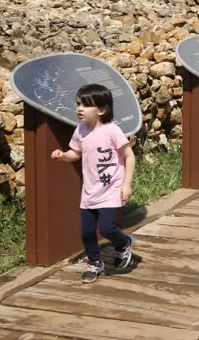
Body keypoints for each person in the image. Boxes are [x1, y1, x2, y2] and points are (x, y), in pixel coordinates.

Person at [51, 84, 136, 284]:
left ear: (101, 110)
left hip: (111, 188)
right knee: (87, 231)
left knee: (106, 228)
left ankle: (124, 243)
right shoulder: (80, 131)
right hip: (89, 191)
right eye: (78, 104)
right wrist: (63, 156)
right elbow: (76, 153)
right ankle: (95, 262)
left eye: (85, 105)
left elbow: (129, 156)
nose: (79, 108)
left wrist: (127, 184)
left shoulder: (112, 131)